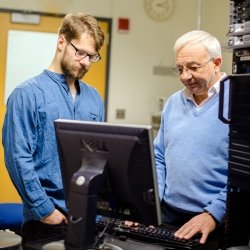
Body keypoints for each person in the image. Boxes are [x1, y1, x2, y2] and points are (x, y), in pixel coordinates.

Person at [2, 12, 105, 249]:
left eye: (92, 56)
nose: (86, 62)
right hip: (45, 220)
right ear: (61, 41)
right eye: (81, 53)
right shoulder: (26, 94)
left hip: (87, 218)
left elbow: (97, 158)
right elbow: (18, 158)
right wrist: (44, 210)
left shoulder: (93, 99)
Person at [154, 30, 229, 244]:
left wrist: (214, 214)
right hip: (167, 216)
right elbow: (159, 156)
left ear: (216, 63)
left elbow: (244, 172)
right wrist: (153, 203)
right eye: (180, 69)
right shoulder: (173, 103)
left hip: (212, 221)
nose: (185, 76)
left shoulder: (239, 101)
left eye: (193, 68)